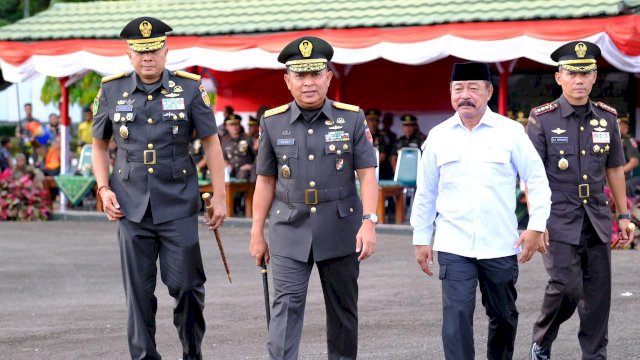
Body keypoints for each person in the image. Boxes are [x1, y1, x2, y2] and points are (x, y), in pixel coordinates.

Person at [91, 17, 227, 360]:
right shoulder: (111, 90)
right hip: (129, 204)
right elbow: (98, 145)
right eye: (140, 51)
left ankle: (191, 352)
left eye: (153, 50)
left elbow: (211, 144)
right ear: (129, 54)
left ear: (166, 51)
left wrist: (220, 197)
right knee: (138, 294)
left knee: (186, 286)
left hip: (178, 202)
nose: (147, 57)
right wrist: (103, 188)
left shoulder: (190, 88)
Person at [411, 62, 551, 360]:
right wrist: (421, 238)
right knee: (456, 318)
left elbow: (536, 179)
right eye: (458, 89)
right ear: (450, 94)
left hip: (500, 242)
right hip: (453, 242)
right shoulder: (438, 136)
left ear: (489, 91)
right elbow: (426, 192)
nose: (465, 95)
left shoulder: (511, 132)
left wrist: (536, 226)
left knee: (503, 316)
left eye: (474, 88)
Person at [249, 36, 378, 360]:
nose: (308, 83)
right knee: (285, 311)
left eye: (316, 74)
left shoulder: (351, 118)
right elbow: (265, 181)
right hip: (289, 228)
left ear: (328, 77)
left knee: (343, 313)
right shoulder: (272, 121)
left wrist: (369, 222)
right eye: (300, 76)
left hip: (340, 228)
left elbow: (367, 174)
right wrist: (256, 234)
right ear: (287, 80)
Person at [526, 41, 633, 360]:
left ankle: (595, 355)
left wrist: (624, 215)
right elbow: (532, 176)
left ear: (595, 76)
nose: (579, 80)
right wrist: (535, 222)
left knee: (598, 297)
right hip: (557, 218)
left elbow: (615, 168)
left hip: (597, 219)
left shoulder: (607, 118)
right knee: (567, 286)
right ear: (559, 77)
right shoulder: (542, 119)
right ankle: (542, 340)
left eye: (586, 73)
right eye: (572, 73)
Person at [221, 114, 256, 179]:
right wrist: (227, 167)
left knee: (243, 175)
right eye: (231, 125)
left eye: (236, 124)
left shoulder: (248, 139)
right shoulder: (225, 141)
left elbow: (258, 156)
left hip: (246, 171)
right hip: (231, 171)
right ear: (226, 127)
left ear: (240, 124)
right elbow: (223, 158)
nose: (234, 127)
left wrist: (251, 166)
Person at [365, 108, 395, 180]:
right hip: (364, 172)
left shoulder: (384, 137)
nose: (372, 123)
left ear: (378, 122)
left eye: (375, 120)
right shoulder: (360, 136)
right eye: (370, 120)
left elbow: (382, 156)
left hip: (381, 173)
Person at [618, 116, 640, 196]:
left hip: (622, 179)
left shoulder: (628, 141)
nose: (625, 127)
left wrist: (618, 173)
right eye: (622, 124)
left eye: (626, 125)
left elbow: (634, 162)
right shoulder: (609, 140)